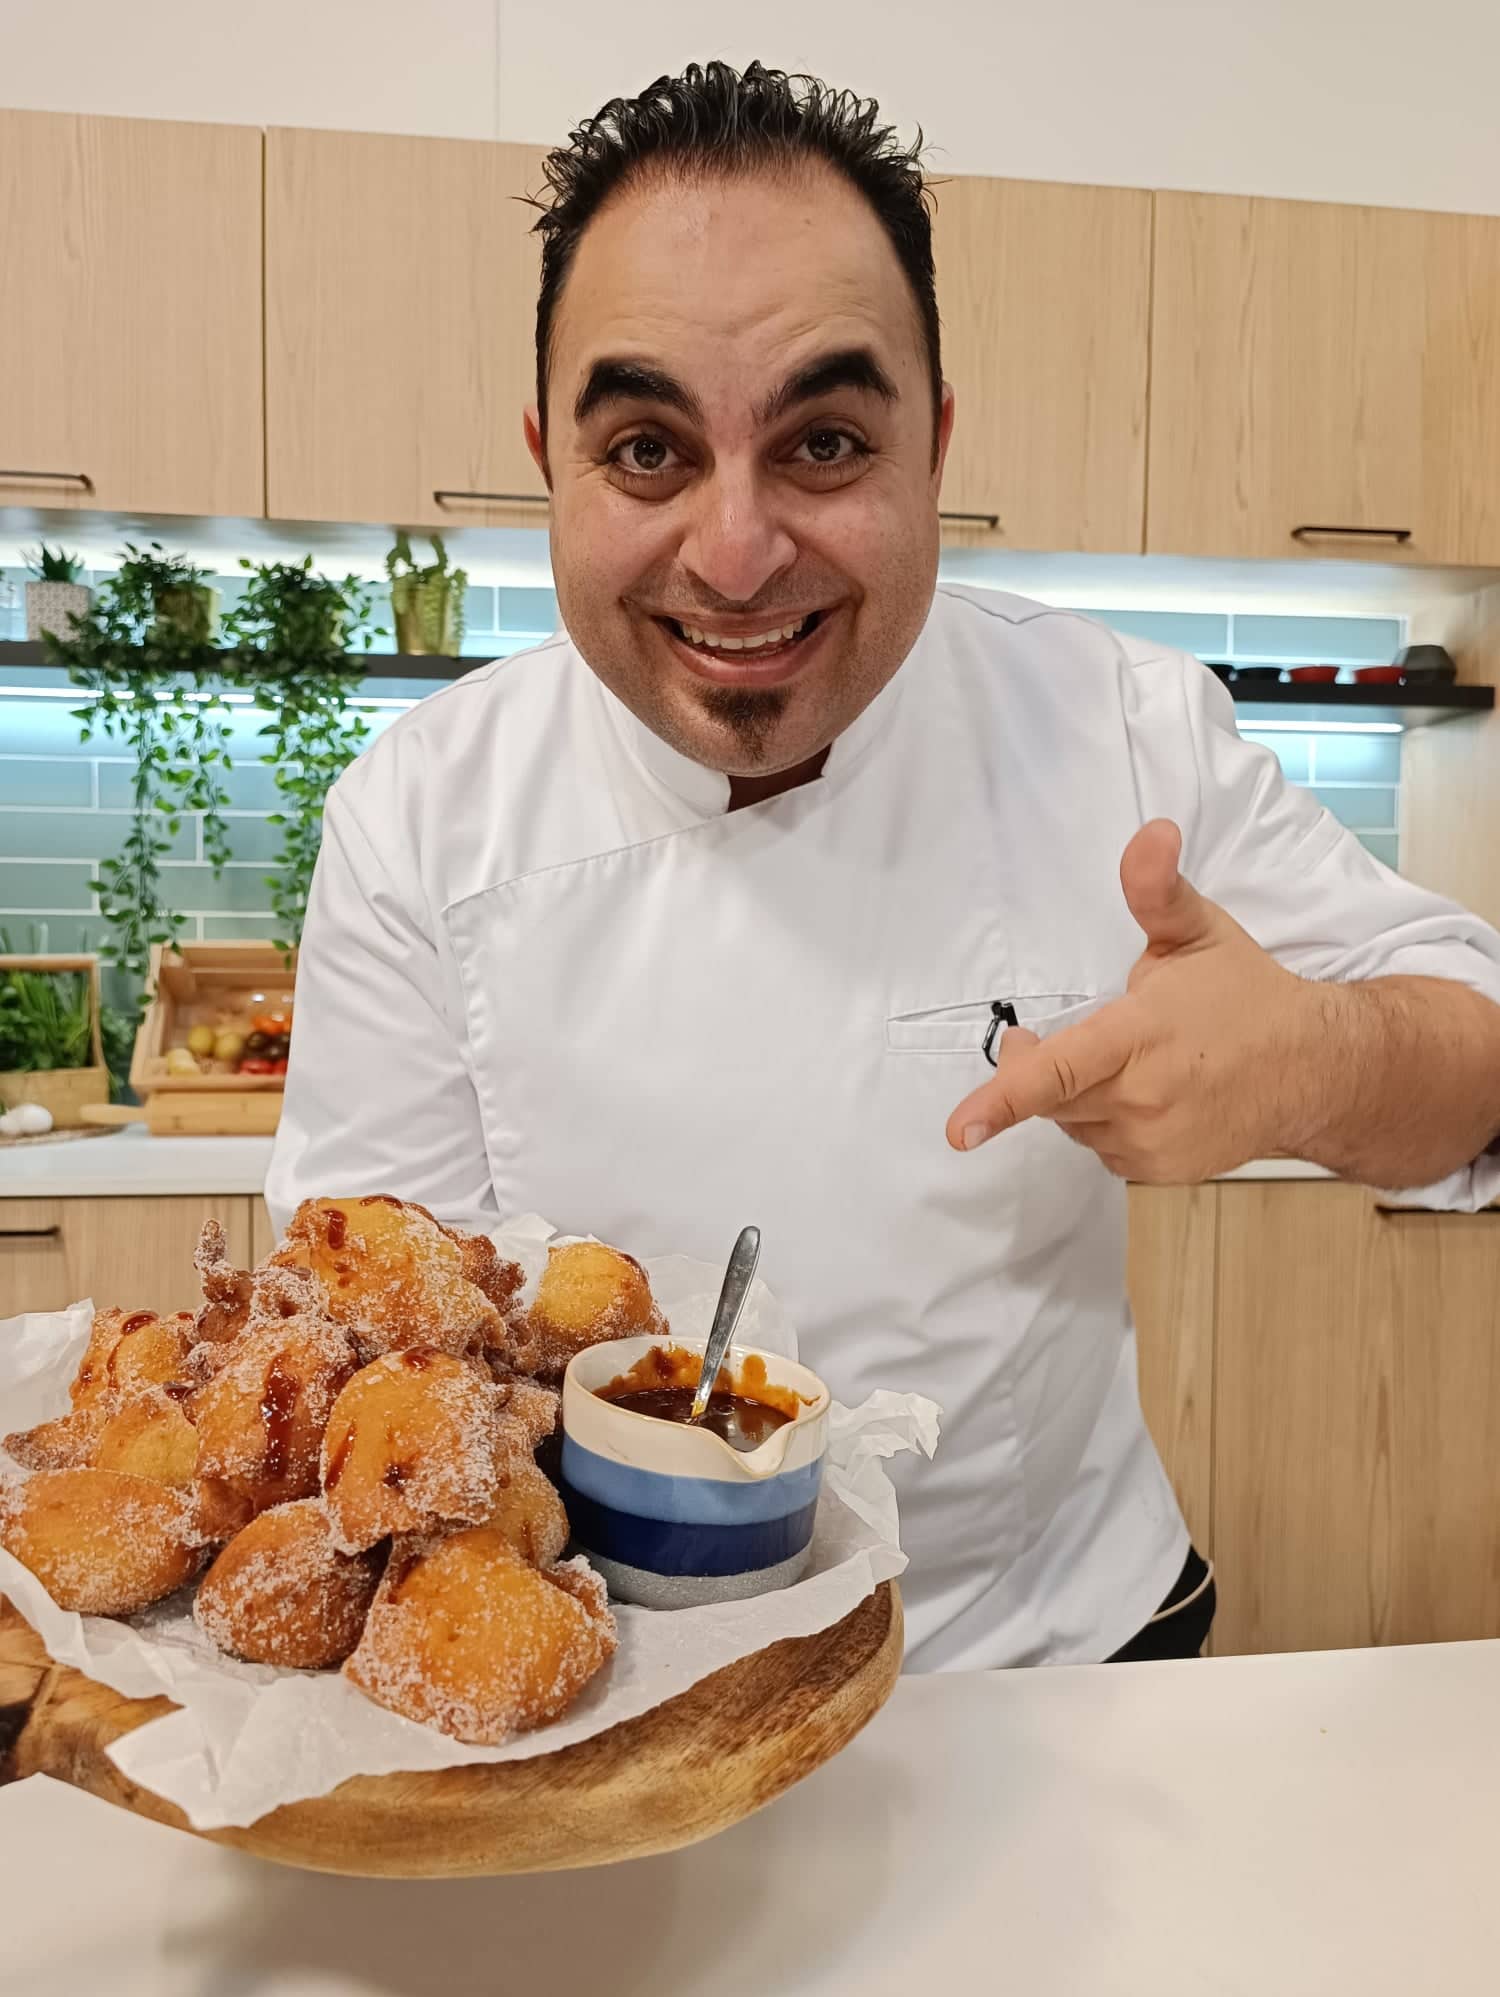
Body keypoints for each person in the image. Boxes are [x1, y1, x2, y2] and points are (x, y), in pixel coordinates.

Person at [267, 61, 1500, 1668]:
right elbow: (363, 1338)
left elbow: (1476, 1056)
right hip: (619, 1689)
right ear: (547, 464)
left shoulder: (1123, 730)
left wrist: (1312, 1062)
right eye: (645, 450)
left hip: (1054, 1654)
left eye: (827, 442)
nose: (734, 554)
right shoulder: (421, 816)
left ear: (935, 448)